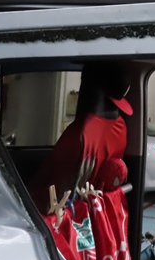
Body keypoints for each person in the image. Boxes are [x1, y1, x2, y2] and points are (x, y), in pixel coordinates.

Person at [30, 61, 131, 212]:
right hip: (96, 210)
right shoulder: (121, 127)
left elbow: (57, 190)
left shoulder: (80, 133)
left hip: (64, 211)